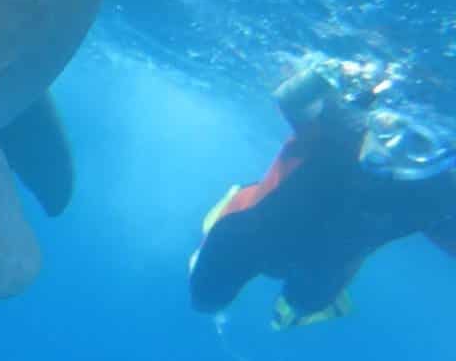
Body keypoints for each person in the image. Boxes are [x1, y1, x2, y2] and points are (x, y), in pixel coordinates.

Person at [188, 58, 456, 329]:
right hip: (269, 236)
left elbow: (293, 99)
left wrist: (326, 74)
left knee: (301, 298)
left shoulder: (437, 195)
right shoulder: (346, 128)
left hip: (315, 256)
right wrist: (331, 72)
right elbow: (292, 98)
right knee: (214, 293)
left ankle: (296, 307)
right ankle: (230, 217)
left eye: (420, 145)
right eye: (389, 130)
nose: (395, 148)